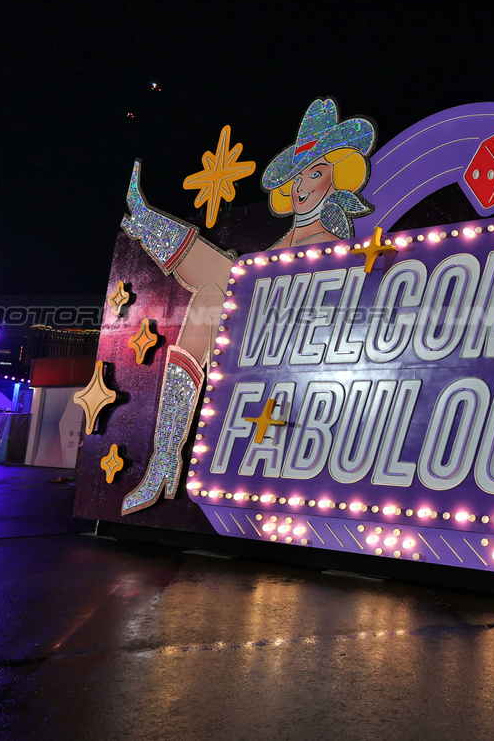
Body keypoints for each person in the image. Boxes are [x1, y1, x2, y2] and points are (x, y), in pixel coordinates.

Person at [117, 99, 375, 515]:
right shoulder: (286, 241)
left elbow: (287, 288)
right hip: (253, 327)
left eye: (316, 172)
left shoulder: (328, 237)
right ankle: (166, 456)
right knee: (212, 295)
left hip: (290, 335)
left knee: (224, 283)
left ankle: (148, 223)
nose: (303, 185)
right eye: (297, 176)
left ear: (337, 179)